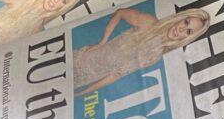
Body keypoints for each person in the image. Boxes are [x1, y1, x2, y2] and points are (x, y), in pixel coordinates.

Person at [74, 7, 210, 94]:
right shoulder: (149, 22)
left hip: (86, 78)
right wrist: (102, 41)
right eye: (186, 22)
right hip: (83, 58)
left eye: (188, 31)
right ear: (180, 18)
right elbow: (120, 13)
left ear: (187, 38)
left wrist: (87, 90)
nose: (181, 29)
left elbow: (116, 75)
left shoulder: (155, 56)